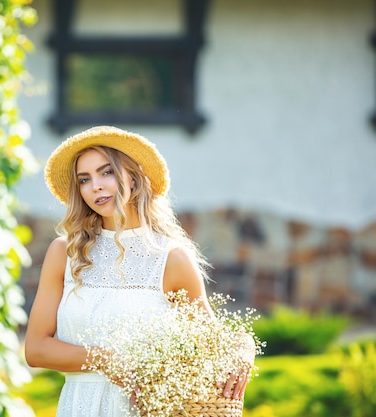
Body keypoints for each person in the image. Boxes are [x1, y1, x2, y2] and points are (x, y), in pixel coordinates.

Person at [24, 126, 253, 417]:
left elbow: (213, 345)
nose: (95, 186)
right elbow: (36, 349)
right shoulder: (65, 252)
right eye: (85, 179)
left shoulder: (171, 259)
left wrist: (245, 349)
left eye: (106, 172)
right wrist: (106, 361)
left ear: (132, 176)